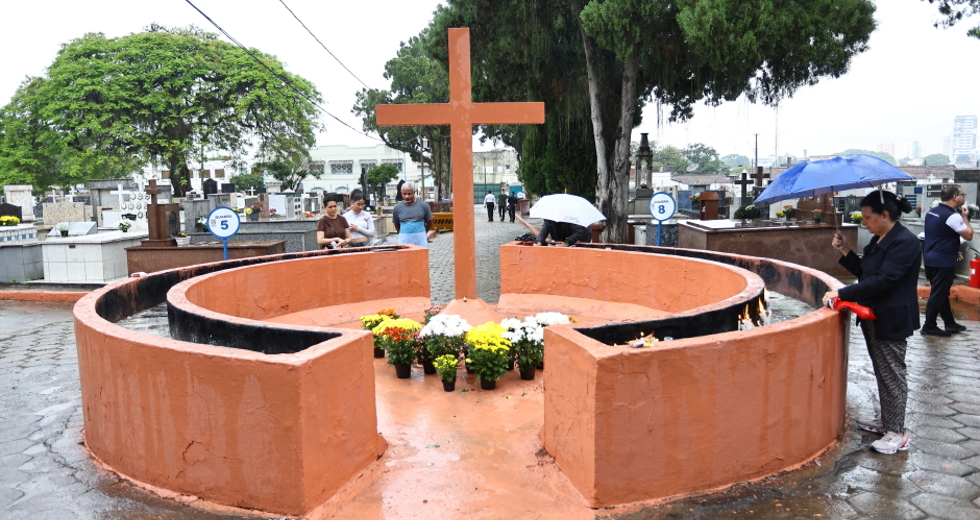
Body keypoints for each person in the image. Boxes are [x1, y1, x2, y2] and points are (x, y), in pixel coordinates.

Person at [822, 190, 919, 455]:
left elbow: (885, 281)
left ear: (884, 215)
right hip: (873, 316)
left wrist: (842, 293)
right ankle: (888, 422)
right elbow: (867, 273)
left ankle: (898, 433)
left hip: (892, 317)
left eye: (867, 217)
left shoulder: (905, 242)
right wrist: (844, 250)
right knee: (882, 370)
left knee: (892, 374)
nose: (864, 223)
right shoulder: (880, 239)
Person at [922, 184, 974, 336]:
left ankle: (950, 323)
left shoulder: (932, 211)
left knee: (941, 292)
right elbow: (969, 235)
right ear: (954, 197)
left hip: (931, 258)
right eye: (963, 195)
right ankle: (929, 326)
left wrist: (953, 250)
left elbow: (940, 235)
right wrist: (965, 218)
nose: (965, 197)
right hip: (943, 261)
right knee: (938, 294)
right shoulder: (953, 215)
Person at [393, 181, 433, 247]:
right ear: (401, 193)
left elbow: (429, 222)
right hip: (404, 242)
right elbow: (397, 225)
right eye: (404, 194)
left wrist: (421, 233)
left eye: (409, 194)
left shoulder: (423, 205)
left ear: (414, 192)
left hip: (421, 242)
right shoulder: (397, 208)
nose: (407, 196)